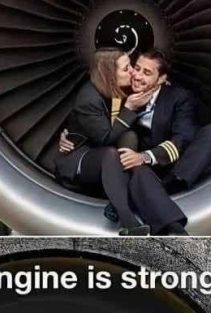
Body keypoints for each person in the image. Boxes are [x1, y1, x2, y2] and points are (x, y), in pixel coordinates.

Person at [60, 48, 211, 236]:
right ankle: (173, 229)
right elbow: (89, 117)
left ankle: (159, 191)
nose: (136, 75)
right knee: (131, 144)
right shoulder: (119, 91)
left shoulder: (178, 97)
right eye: (136, 68)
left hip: (163, 164)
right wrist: (68, 136)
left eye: (146, 73)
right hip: (135, 167)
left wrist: (146, 156)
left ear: (162, 79)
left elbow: (182, 139)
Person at [54, 47, 152, 234]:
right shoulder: (88, 99)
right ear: (108, 74)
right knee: (110, 154)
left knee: (129, 136)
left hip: (104, 155)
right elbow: (104, 138)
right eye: (126, 68)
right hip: (81, 159)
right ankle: (129, 223)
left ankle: (116, 202)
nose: (132, 71)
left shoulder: (116, 88)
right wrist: (129, 108)